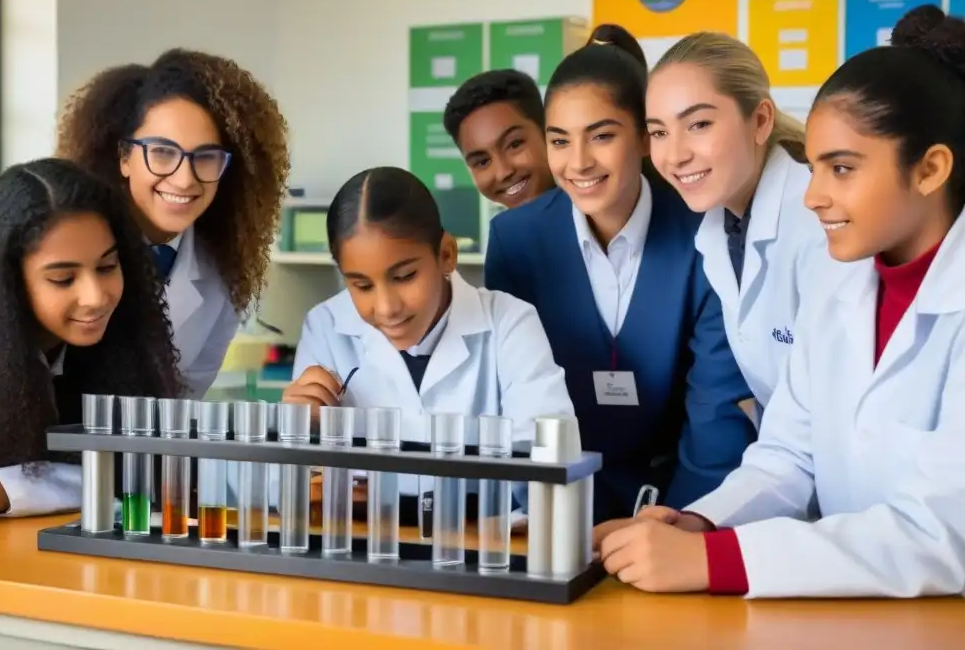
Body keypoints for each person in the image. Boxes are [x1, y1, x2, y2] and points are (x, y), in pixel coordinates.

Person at [594, 5, 965, 599]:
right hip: (855, 598)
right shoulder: (843, 283)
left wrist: (717, 560)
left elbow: (945, 533)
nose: (814, 196)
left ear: (931, 170)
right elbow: (789, 451)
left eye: (841, 169)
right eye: (815, 167)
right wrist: (698, 523)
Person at [485, 26, 755, 524]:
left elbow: (715, 410)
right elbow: (511, 399)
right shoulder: (516, 242)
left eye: (603, 136)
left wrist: (677, 523)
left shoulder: (704, 232)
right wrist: (552, 514)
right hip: (555, 507)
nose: (579, 162)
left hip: (678, 500)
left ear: (646, 139)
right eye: (559, 141)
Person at [284, 166, 575, 503]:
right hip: (365, 551)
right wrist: (296, 430)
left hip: (483, 549)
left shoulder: (509, 323)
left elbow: (551, 473)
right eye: (361, 285)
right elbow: (292, 496)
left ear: (446, 254)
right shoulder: (326, 327)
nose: (387, 307)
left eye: (405, 276)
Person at [0, 159, 181, 524]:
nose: (95, 297)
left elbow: (127, 480)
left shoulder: (116, 344)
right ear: (7, 280)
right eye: (63, 279)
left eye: (106, 267)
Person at [56, 49, 289, 397]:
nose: (183, 180)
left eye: (206, 157)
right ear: (124, 156)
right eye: (162, 152)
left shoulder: (225, 274)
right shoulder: (61, 245)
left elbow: (181, 405)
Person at [645, 32, 845, 412]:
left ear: (760, 121)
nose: (675, 155)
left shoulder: (819, 223)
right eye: (658, 132)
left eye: (699, 124)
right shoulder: (723, 228)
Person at [443, 69, 555, 208]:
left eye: (514, 145)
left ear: (547, 131)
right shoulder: (505, 228)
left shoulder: (587, 214)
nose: (503, 173)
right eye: (483, 162)